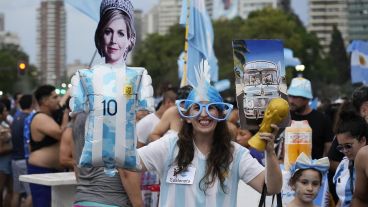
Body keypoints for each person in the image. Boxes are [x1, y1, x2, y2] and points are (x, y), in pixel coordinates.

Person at [137, 80, 282, 207]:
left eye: (211, 107)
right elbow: (130, 161)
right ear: (187, 117)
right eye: (196, 107)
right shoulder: (168, 146)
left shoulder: (235, 153)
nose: (204, 113)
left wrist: (270, 153)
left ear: (220, 114)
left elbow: (271, 188)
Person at [70, 0, 153, 206]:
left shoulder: (81, 111)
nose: (114, 40)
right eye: (108, 32)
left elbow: (76, 164)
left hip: (83, 200)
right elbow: (126, 170)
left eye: (121, 33)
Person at [28, 85, 69, 207]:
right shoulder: (40, 118)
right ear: (45, 101)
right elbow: (61, 134)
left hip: (52, 171)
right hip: (41, 171)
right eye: (54, 97)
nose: (58, 99)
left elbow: (60, 104)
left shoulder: (50, 115)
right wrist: (66, 117)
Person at [287, 77, 334, 159]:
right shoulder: (285, 117)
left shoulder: (322, 120)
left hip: (314, 169)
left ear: (307, 99)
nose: (291, 101)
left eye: (295, 97)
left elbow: (328, 150)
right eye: (290, 96)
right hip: (287, 169)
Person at [333, 110, 367, 207]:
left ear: (363, 140)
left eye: (348, 146)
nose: (344, 151)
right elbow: (342, 199)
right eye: (340, 147)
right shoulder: (343, 165)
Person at [10, 94, 34, 207]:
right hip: (24, 160)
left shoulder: (16, 116)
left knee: (16, 193)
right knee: (31, 194)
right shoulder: (28, 119)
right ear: (32, 104)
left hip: (14, 160)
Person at [0, 102, 13, 207]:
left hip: (8, 162)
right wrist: (13, 148)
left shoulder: (4, 124)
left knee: (10, 190)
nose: (7, 112)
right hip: (2, 164)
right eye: (5, 110)